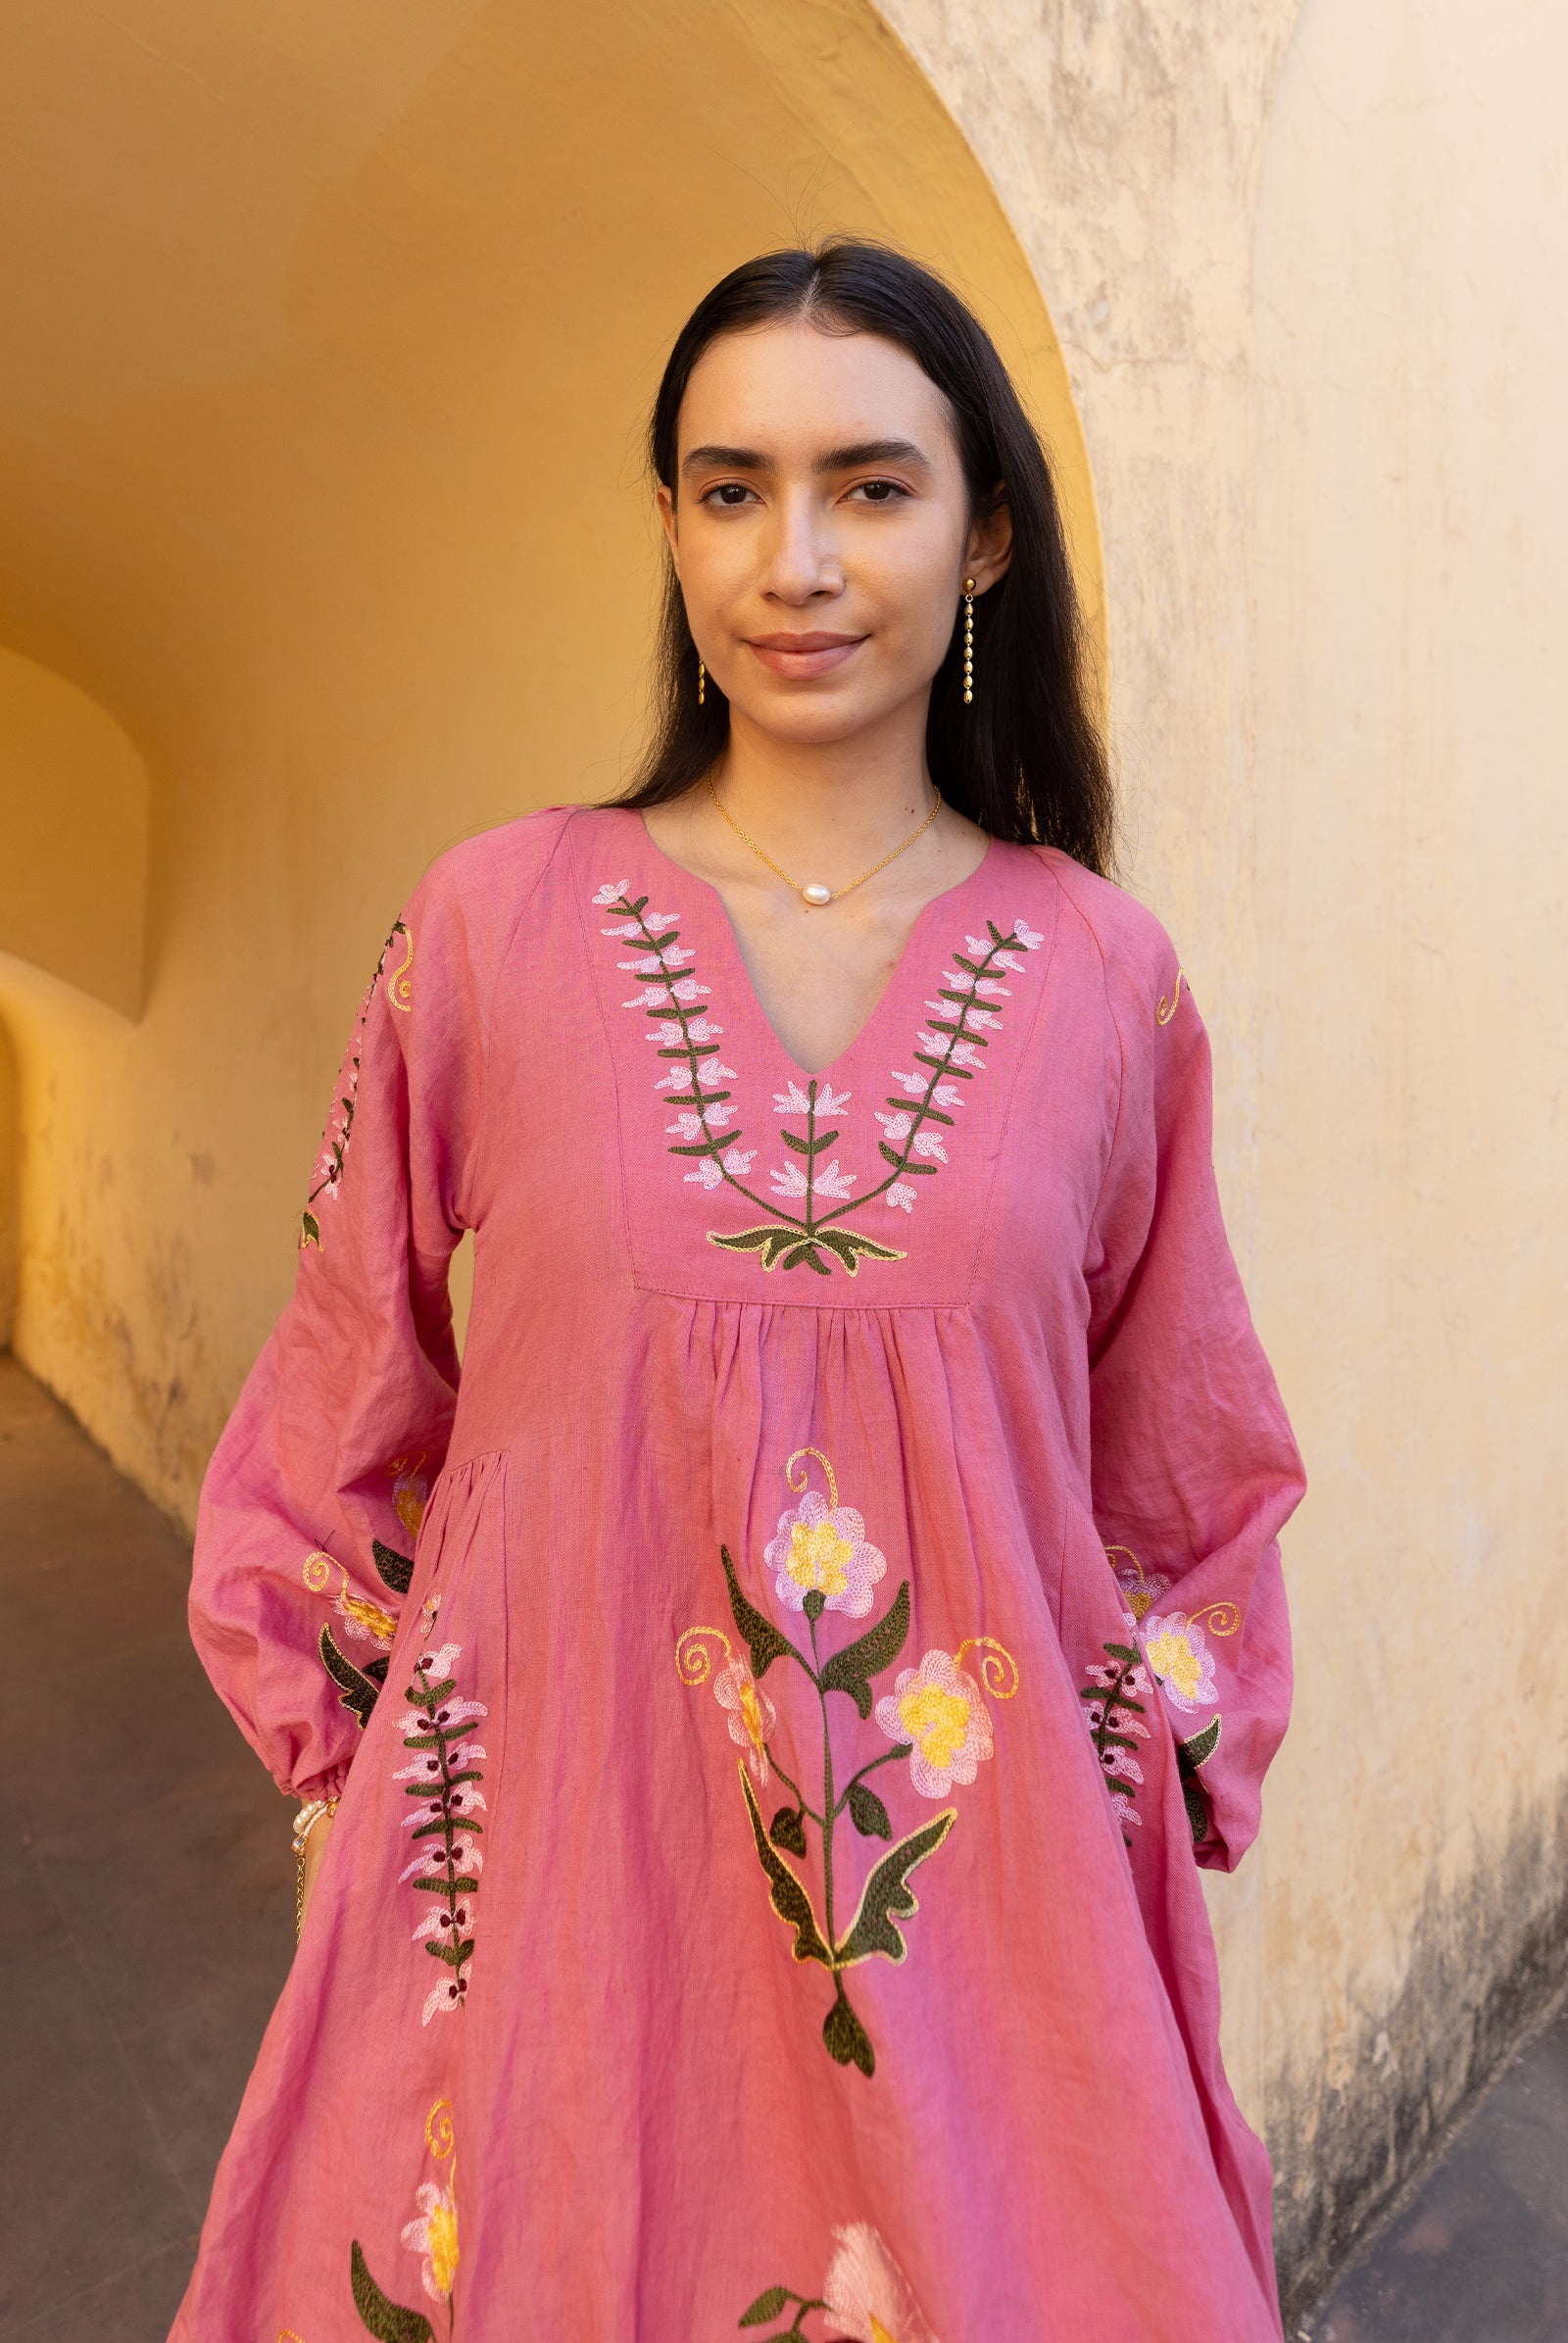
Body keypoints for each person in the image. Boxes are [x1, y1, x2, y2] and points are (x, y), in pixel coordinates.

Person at [174, 241, 1304, 2342]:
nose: (792, 556)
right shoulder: (492, 924)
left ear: (982, 541)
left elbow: (1181, 1478)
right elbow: (344, 1393)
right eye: (726, 487)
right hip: (554, 1944)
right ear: (673, 528)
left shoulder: (1101, 985)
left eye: (869, 487)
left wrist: (1145, 1787)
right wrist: (386, 1807)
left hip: (991, 1976)